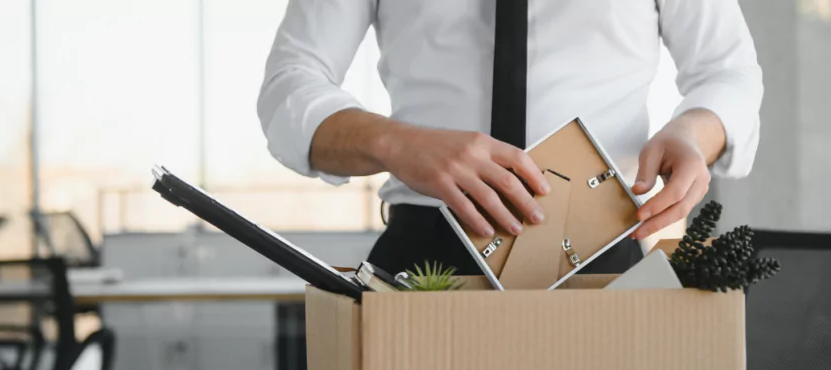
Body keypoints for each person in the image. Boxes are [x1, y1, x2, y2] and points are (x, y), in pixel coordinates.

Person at [258, 0, 763, 276]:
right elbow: (290, 86)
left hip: (602, 259)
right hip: (425, 261)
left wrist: (694, 132)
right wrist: (398, 143)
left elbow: (727, 70)